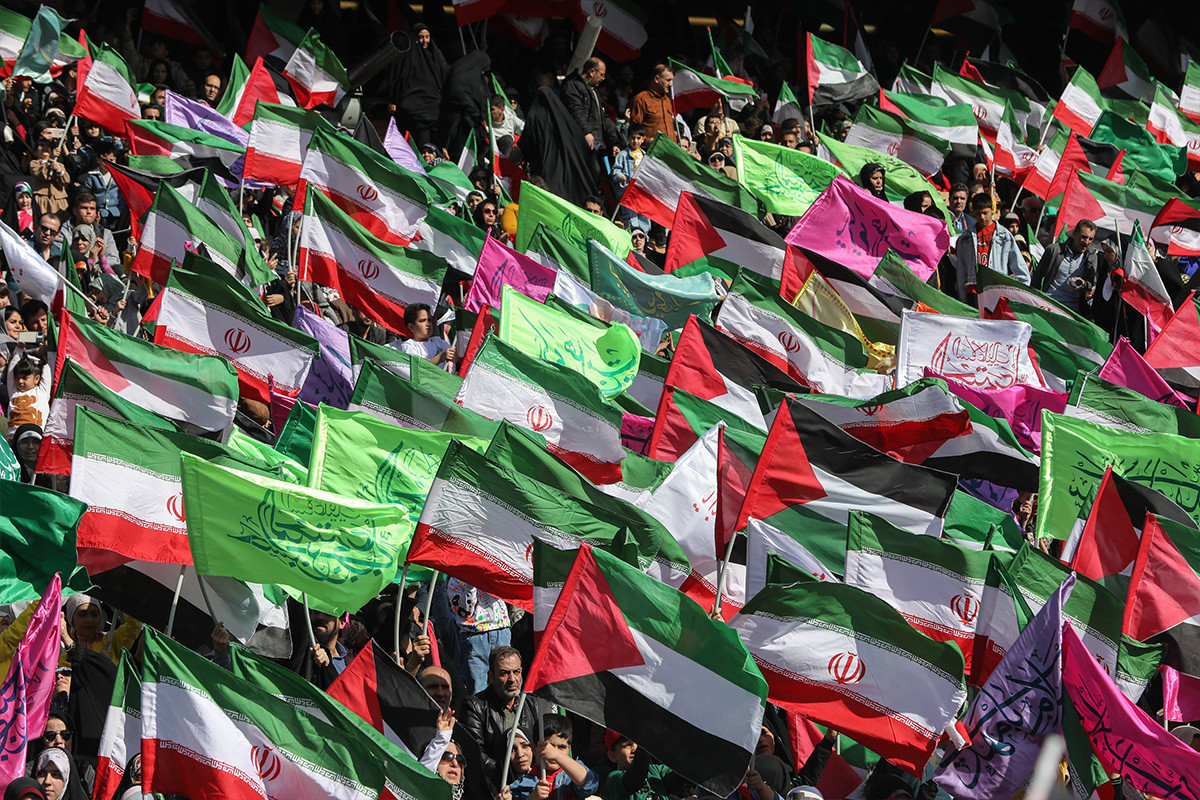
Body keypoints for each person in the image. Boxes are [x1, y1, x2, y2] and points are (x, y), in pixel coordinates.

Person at [457, 646, 546, 787]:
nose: (512, 679)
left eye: (516, 672)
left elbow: (544, 744)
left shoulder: (533, 704)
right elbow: (475, 754)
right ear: (491, 677)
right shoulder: (475, 706)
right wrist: (509, 774)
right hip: (493, 787)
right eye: (504, 673)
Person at [953, 192, 1029, 302]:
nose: (982, 217)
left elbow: (1019, 266)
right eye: (978, 214)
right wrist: (962, 296)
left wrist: (1021, 293)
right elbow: (961, 269)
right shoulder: (966, 237)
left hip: (996, 289)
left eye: (985, 213)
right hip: (973, 289)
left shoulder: (1004, 235)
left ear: (992, 209)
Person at [505, 716, 598, 800]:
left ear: (569, 748)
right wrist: (533, 798)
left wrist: (557, 756)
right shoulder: (521, 785)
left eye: (562, 747)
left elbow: (589, 783)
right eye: (549, 747)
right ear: (534, 748)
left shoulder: (571, 774)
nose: (553, 752)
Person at [1031, 219, 1111, 316]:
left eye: (1090, 239)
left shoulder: (1091, 256)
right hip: (1048, 305)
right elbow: (1037, 278)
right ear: (1074, 234)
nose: (1086, 242)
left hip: (1072, 311)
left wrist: (1083, 284)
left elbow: (1090, 284)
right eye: (1084, 237)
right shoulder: (1054, 250)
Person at [447, 579, 510, 695]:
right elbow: (465, 612)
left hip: (500, 629)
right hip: (475, 635)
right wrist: (470, 585)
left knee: (506, 681)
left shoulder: (490, 571)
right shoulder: (455, 581)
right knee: (479, 687)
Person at [390, 23, 448, 146]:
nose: (425, 41)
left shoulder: (435, 56)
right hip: (415, 111)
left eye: (427, 37)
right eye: (421, 37)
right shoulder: (407, 57)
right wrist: (393, 100)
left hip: (434, 110)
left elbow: (444, 77)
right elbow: (400, 78)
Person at [601, 732, 691, 800]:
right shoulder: (613, 779)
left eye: (637, 743)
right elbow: (635, 777)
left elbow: (683, 776)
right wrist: (644, 746)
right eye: (627, 745)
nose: (634, 749)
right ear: (612, 756)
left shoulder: (656, 770)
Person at [561, 58, 619, 160]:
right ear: (592, 72)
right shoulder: (573, 86)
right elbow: (575, 111)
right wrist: (586, 132)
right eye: (601, 75)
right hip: (582, 142)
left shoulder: (593, 90)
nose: (603, 78)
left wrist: (614, 142)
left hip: (596, 142)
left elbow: (602, 116)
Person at [629, 65, 677, 143]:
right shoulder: (641, 99)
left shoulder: (668, 100)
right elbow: (634, 130)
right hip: (651, 149)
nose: (671, 84)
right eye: (668, 80)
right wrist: (646, 141)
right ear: (657, 79)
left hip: (670, 149)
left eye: (672, 80)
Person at [5, 356, 50, 438]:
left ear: (36, 379)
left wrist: (37, 358)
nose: (20, 381)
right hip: (14, 438)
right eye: (17, 378)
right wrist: (19, 351)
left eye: (24, 378)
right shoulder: (13, 392)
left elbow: (46, 368)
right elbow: (12, 367)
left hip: (35, 437)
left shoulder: (42, 392)